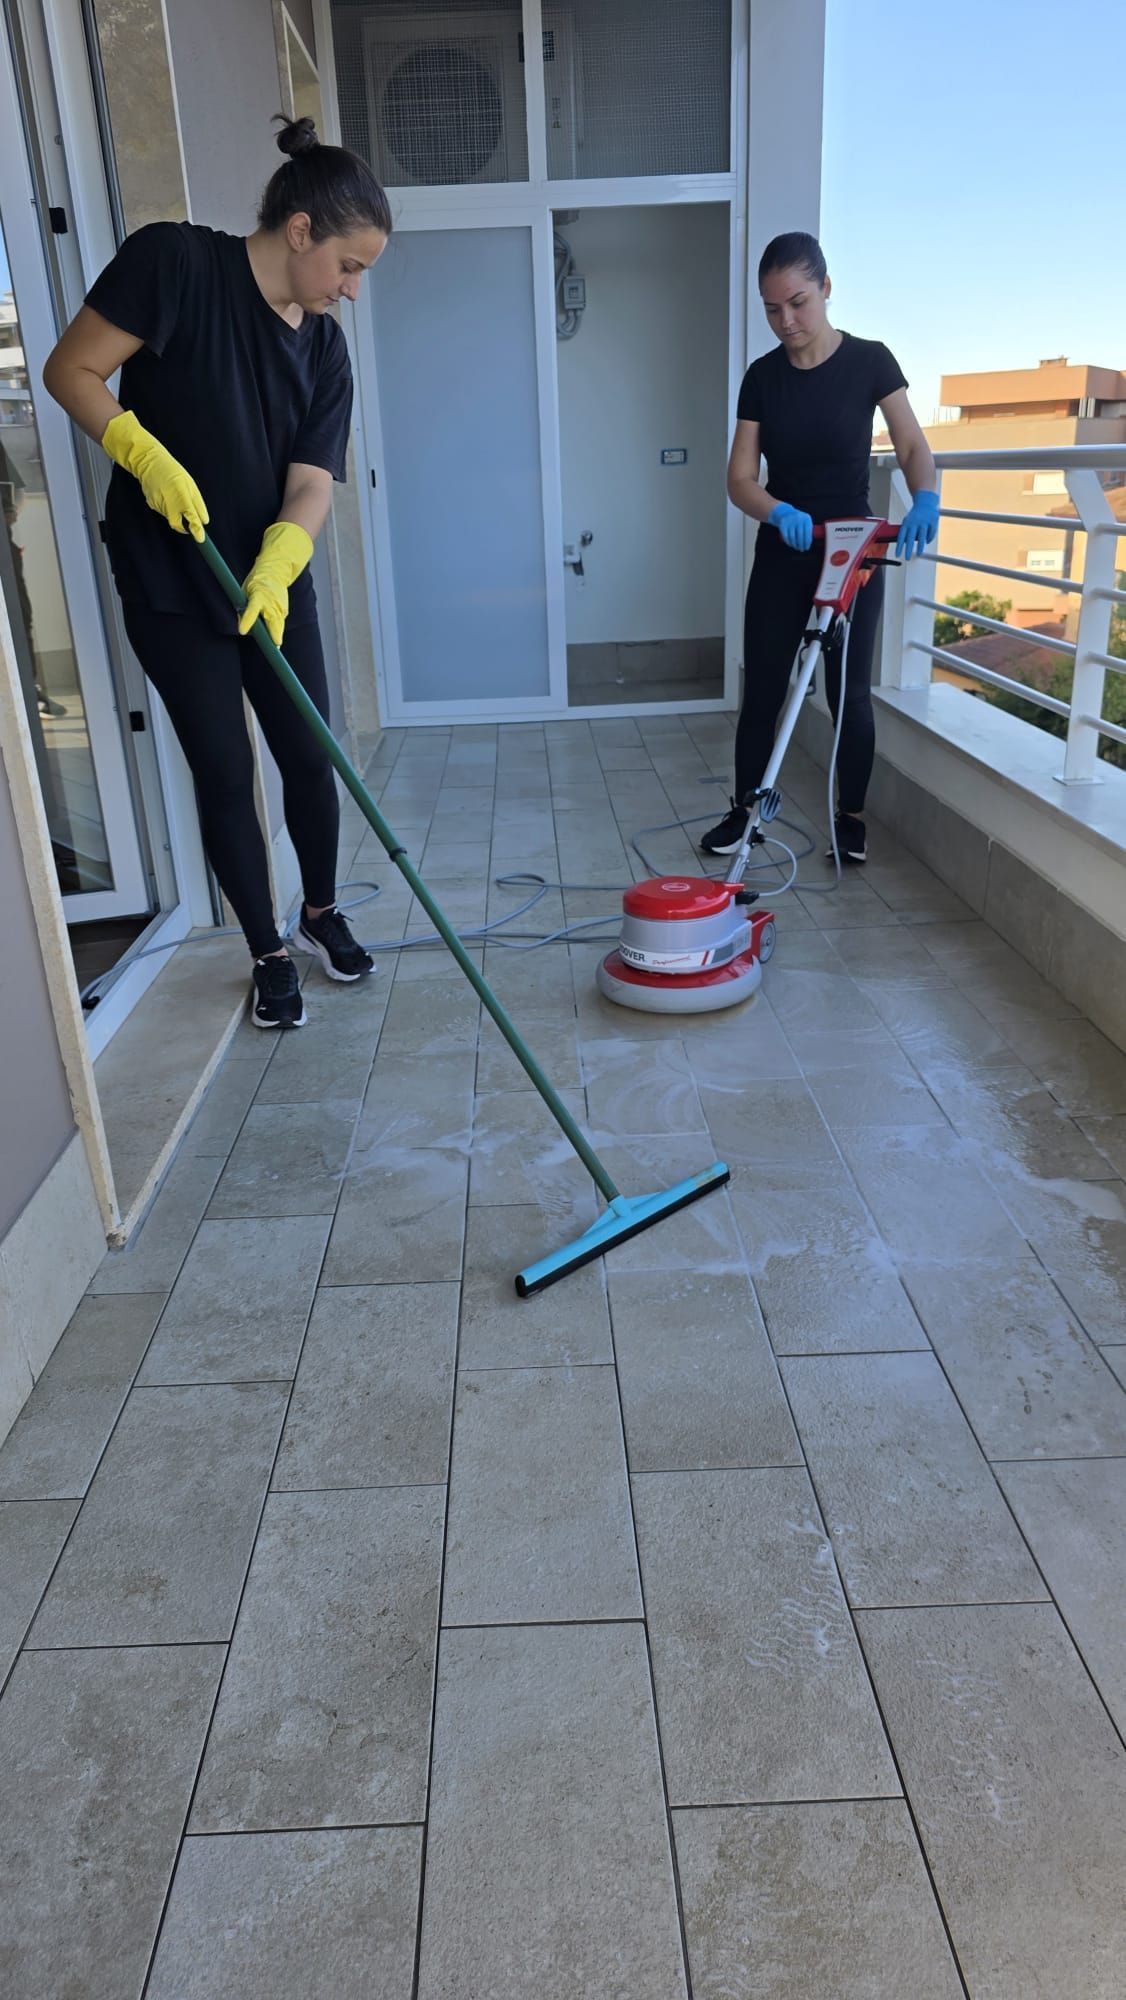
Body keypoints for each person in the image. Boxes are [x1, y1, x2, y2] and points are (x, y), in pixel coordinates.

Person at [43, 116, 391, 1027]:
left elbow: (311, 482)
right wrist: (140, 452)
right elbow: (72, 369)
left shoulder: (324, 349)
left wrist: (283, 559)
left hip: (268, 582)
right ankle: (267, 951)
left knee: (309, 754)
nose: (351, 290)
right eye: (349, 266)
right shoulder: (175, 265)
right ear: (302, 230)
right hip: (171, 580)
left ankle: (319, 911)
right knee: (225, 769)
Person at [702, 231, 938, 865]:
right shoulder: (763, 378)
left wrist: (925, 497)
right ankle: (745, 811)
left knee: (849, 695)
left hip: (854, 554)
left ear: (826, 288)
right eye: (772, 308)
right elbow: (740, 479)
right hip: (788, 547)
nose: (787, 320)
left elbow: (911, 445)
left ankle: (850, 818)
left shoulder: (870, 362)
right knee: (765, 689)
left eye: (798, 302)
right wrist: (777, 510)